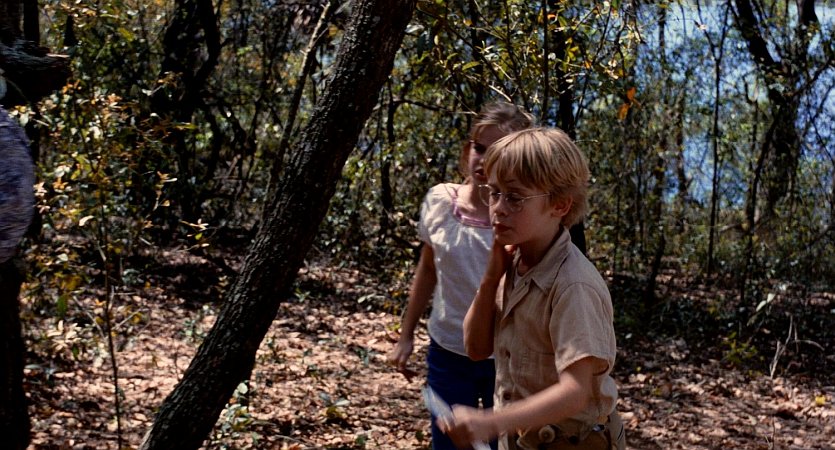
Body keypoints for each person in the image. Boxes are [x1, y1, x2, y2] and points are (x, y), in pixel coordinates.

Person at [440, 127, 625, 450]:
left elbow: (575, 392)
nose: (498, 208)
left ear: (560, 205)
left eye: (515, 197)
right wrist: (491, 278)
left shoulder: (573, 285)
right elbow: (476, 348)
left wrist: (491, 422)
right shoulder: (515, 262)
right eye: (494, 193)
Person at [388, 102, 534, 450]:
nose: (483, 161)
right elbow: (428, 268)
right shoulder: (440, 201)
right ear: (468, 148)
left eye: (497, 153)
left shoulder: (521, 220)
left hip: (504, 357)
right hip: (447, 350)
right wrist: (405, 336)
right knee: (449, 442)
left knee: (502, 443)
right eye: (480, 148)